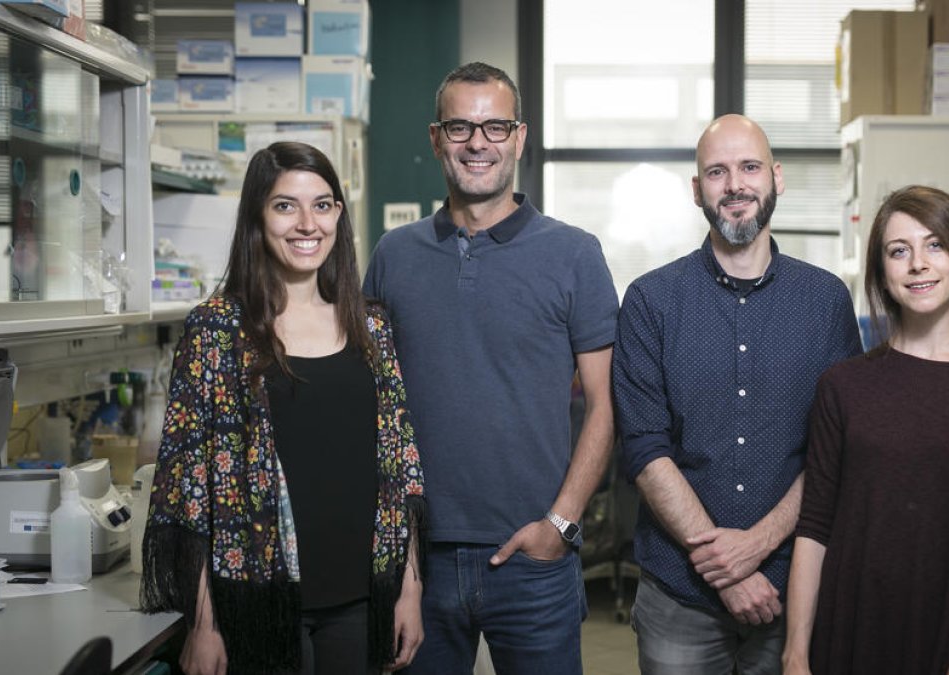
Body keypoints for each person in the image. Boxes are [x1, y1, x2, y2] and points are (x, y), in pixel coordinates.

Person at [362, 62, 618, 674]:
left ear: (520, 137)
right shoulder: (393, 256)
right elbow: (374, 409)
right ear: (435, 138)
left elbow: (607, 408)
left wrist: (560, 525)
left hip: (534, 559)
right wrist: (397, 555)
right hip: (417, 567)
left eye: (495, 126)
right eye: (460, 126)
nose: (478, 142)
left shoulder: (574, 255)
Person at [141, 141, 426, 675]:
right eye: (284, 205)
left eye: (322, 205)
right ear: (258, 215)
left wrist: (408, 589)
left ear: (339, 215)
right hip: (256, 603)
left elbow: (402, 470)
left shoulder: (372, 327)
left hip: (361, 598)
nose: (306, 224)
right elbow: (190, 489)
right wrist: (204, 626)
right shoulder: (218, 330)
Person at [613, 114, 862, 674]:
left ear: (776, 177)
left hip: (792, 587)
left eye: (749, 167)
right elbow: (646, 451)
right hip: (680, 595)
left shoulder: (825, 303)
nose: (735, 185)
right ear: (697, 188)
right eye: (717, 172)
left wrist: (758, 547)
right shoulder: (651, 302)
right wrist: (728, 569)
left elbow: (835, 450)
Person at [782, 185, 949, 675]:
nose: (918, 263)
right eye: (899, 251)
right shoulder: (843, 386)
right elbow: (814, 529)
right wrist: (796, 653)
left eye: (936, 245)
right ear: (883, 274)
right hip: (849, 637)